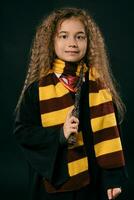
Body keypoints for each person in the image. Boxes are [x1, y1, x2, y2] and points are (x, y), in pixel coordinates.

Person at [13, 7, 128, 200]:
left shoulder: (99, 88)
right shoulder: (37, 88)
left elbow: (112, 135)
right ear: (52, 41)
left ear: (88, 42)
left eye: (80, 37)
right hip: (56, 182)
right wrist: (60, 134)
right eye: (64, 36)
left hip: (93, 182)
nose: (72, 43)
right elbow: (23, 133)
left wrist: (113, 179)